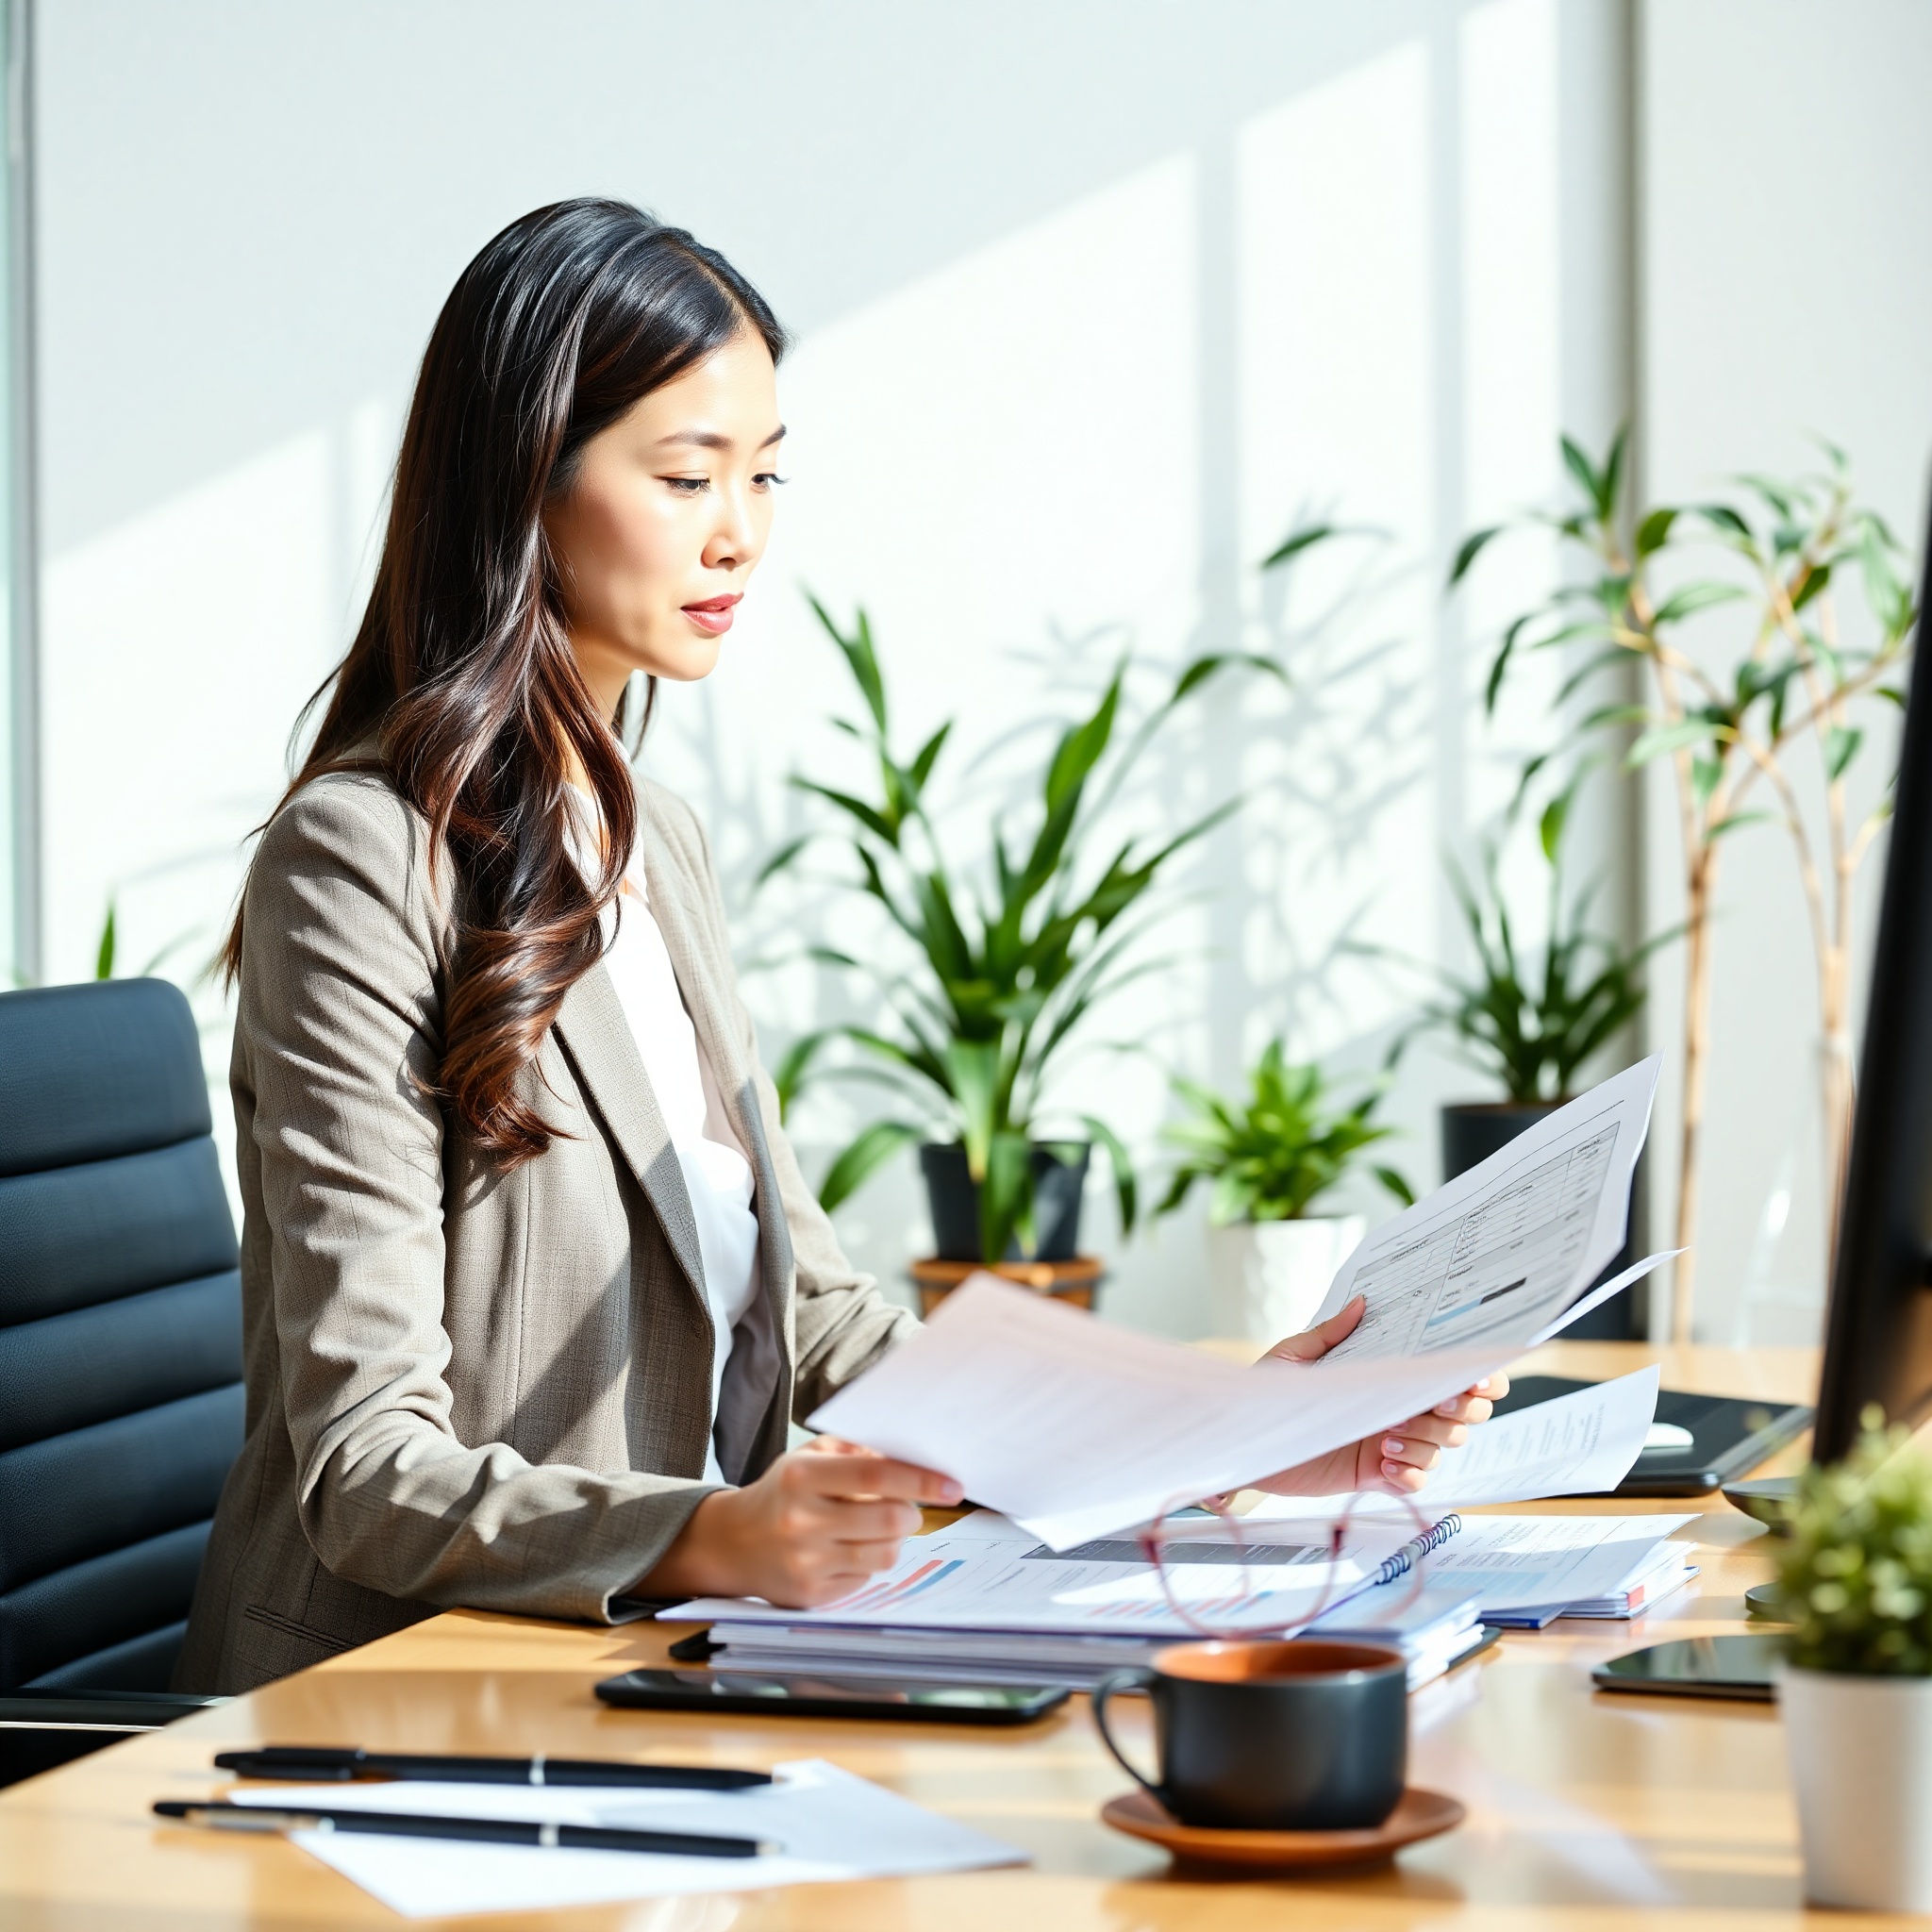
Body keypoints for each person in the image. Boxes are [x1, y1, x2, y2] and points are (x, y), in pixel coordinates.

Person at [175, 199, 1505, 1696]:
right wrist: (720, 1536)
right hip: (396, 1695)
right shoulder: (361, 860)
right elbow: (366, 1468)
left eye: (764, 472)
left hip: (644, 1672)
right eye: (685, 475)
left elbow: (815, 1313)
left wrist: (1227, 1438)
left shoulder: (650, 836)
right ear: (521, 488)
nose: (739, 528)